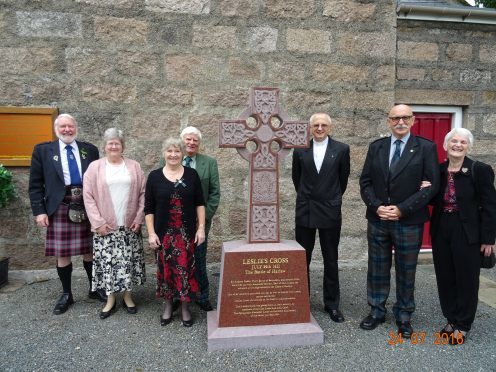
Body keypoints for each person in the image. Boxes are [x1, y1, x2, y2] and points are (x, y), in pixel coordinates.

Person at [358, 104, 439, 338]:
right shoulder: (377, 147)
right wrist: (377, 207)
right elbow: (365, 182)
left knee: (406, 269)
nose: (400, 122)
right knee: (377, 267)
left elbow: (431, 185)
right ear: (388, 121)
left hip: (409, 220)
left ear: (412, 120)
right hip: (378, 218)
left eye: (405, 118)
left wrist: (402, 209)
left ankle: (404, 315)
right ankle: (376, 311)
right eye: (395, 118)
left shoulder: (425, 147)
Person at [29, 113, 106, 315]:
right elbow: (35, 185)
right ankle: (66, 294)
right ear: (56, 128)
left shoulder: (89, 150)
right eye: (63, 126)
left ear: (76, 128)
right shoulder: (43, 150)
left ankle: (94, 288)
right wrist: (39, 211)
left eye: (70, 126)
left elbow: (98, 181)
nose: (67, 130)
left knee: (90, 250)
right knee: (63, 253)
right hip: (60, 205)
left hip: (86, 205)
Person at [429, 128, 496, 344]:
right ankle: (451, 318)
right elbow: (433, 199)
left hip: (467, 230)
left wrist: (488, 239)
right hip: (441, 228)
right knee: (445, 276)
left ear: (469, 146)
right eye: (454, 141)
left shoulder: (480, 169)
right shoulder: (437, 170)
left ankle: (463, 324)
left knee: (466, 278)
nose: (458, 145)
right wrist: (425, 189)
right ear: (445, 145)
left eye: (463, 142)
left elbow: (490, 206)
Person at [292, 113, 350, 323]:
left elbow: (342, 180)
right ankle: (301, 303)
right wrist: (309, 197)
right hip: (306, 209)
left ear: (330, 127)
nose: (319, 128)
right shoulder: (300, 151)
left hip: (330, 209)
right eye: (315, 125)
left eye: (323, 125)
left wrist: (330, 197)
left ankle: (332, 304)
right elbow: (296, 180)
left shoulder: (342, 149)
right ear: (310, 127)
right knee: (302, 259)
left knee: (330, 258)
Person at [83, 128, 146, 319]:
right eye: (110, 143)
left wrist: (138, 218)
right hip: (105, 228)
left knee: (127, 262)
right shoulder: (94, 167)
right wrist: (98, 222)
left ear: (122, 146)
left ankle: (127, 296)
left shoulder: (134, 166)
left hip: (129, 226)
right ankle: (110, 299)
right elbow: (88, 197)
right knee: (108, 264)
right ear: (105, 146)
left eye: (117, 143)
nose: (113, 146)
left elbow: (143, 193)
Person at [145, 137, 206, 327]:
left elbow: (200, 204)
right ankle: (168, 305)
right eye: (169, 151)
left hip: (186, 234)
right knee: (166, 270)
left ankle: (186, 307)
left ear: (182, 154)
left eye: (177, 151)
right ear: (164, 153)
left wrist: (201, 228)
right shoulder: (154, 177)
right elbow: (149, 208)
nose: (173, 155)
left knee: (187, 269)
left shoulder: (191, 175)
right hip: (164, 235)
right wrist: (151, 233)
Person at [179, 126, 220, 312]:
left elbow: (214, 193)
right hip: (175, 221)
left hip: (199, 223)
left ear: (199, 143)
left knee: (199, 259)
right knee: (177, 259)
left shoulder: (209, 163)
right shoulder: (172, 158)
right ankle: (177, 295)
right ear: (182, 140)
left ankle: (202, 296)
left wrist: (204, 218)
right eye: (188, 139)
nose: (191, 143)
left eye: (195, 140)